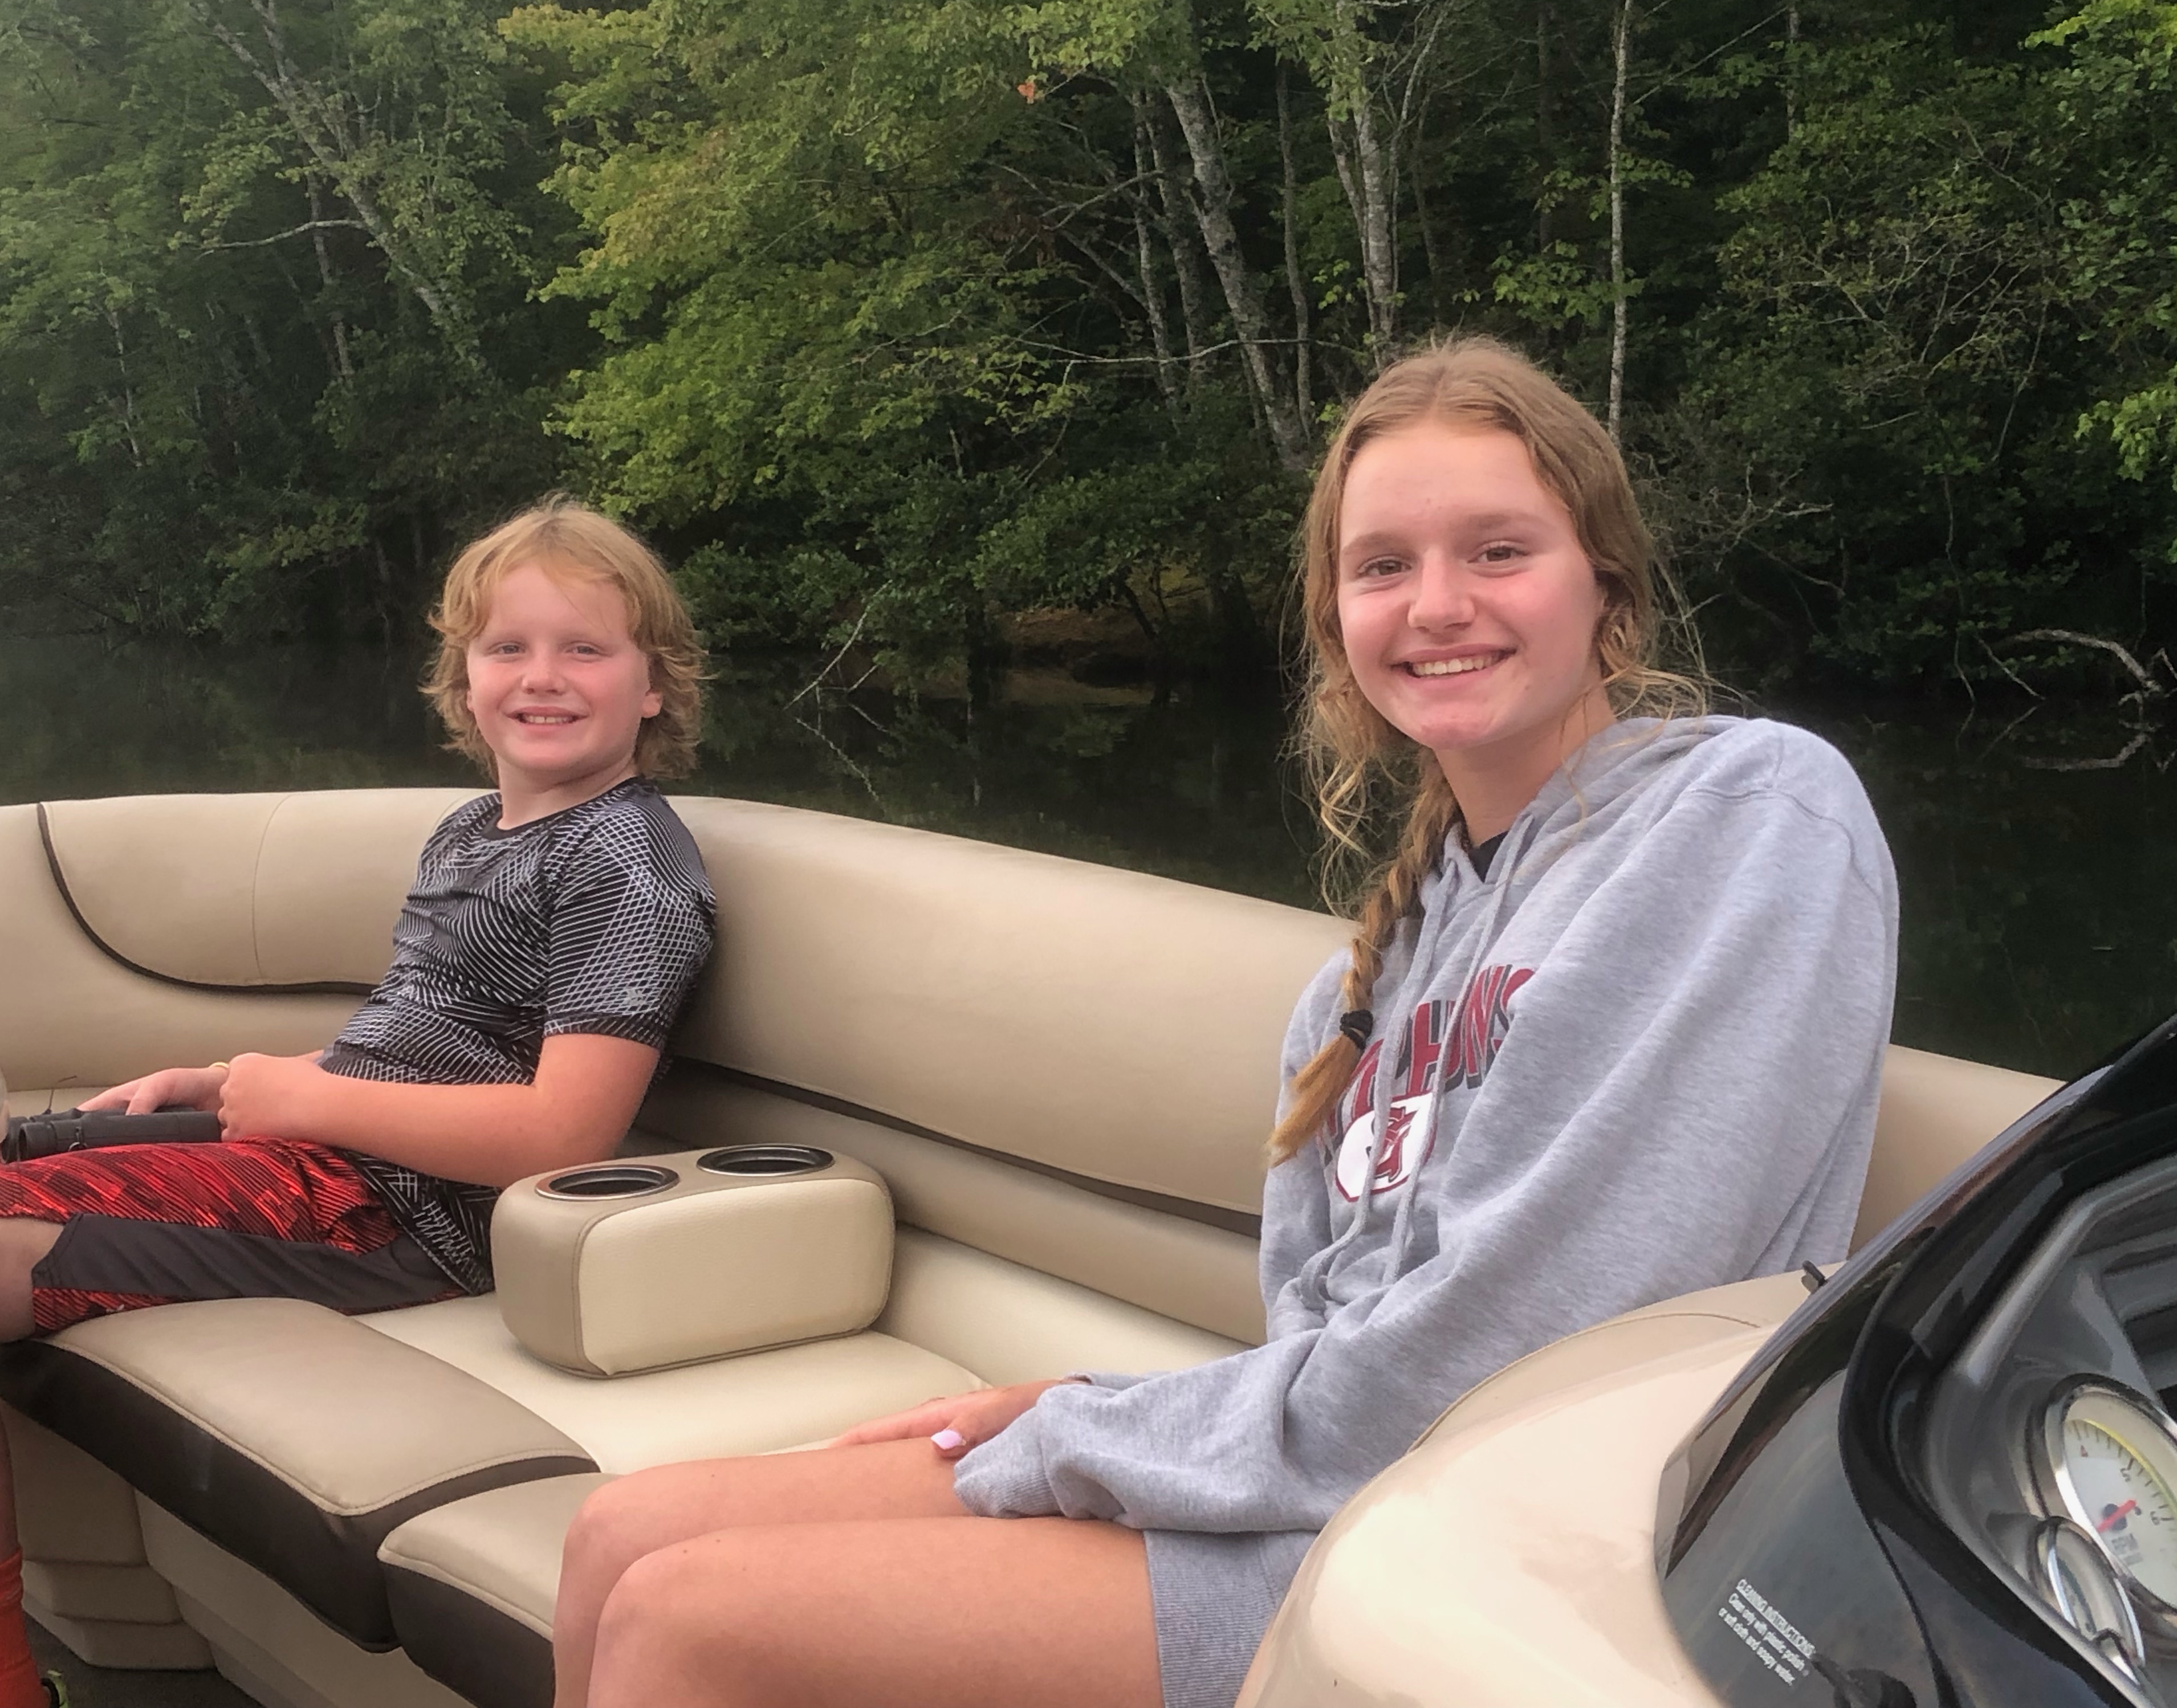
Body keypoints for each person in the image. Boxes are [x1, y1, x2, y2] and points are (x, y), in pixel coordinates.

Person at [546, 337, 1898, 1708]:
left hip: (1528, 1539)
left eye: (1499, 551)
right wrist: (1088, 1413)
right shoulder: (1359, 989)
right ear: (1336, 618)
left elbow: (1522, 1345)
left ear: (1603, 577)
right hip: (1344, 1486)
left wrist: (1090, 1430)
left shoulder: (1745, 815)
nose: (1438, 605)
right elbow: (1321, 1338)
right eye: (1383, 566)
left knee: (685, 1620)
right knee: (614, 1536)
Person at [0, 499, 717, 1708]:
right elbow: (417, 1040)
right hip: (332, 1158)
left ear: (655, 686)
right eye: (508, 647)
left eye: (585, 649)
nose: (543, 677)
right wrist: (224, 1084)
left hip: (403, 1215)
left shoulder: (625, 864)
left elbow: (564, 1134)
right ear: (465, 680)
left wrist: (308, 1101)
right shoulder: (473, 829)